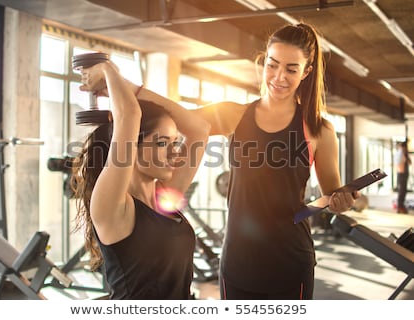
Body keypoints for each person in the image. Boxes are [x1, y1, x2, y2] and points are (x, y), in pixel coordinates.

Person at [131, 23, 357, 299]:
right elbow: (174, 117)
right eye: (272, 65)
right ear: (263, 64)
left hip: (291, 262)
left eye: (291, 69)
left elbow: (330, 195)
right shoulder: (234, 115)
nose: (279, 76)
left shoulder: (320, 130)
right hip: (239, 262)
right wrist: (126, 91)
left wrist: (340, 200)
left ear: (306, 73)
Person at [72, 59, 210, 299]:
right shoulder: (113, 207)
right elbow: (129, 115)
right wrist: (106, 68)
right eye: (161, 143)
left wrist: (128, 86)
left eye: (174, 142)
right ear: (130, 148)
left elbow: (200, 128)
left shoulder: (165, 197)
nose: (174, 152)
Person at [395, 140, 411, 214]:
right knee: (402, 191)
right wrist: (402, 173)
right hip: (402, 174)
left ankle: (400, 206)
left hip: (403, 174)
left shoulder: (403, 153)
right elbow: (399, 165)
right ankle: (400, 207)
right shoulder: (400, 153)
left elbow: (409, 162)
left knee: (403, 191)